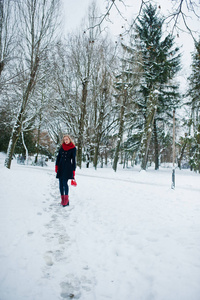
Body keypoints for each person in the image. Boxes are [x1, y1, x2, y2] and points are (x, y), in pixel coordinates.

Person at [55, 135, 76, 207]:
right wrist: (56, 166)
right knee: (60, 184)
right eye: (64, 140)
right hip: (61, 167)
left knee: (64, 183)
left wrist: (73, 170)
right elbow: (58, 157)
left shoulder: (73, 148)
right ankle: (62, 199)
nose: (65, 141)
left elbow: (73, 160)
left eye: (67, 139)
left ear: (70, 139)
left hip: (68, 168)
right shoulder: (61, 148)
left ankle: (66, 200)